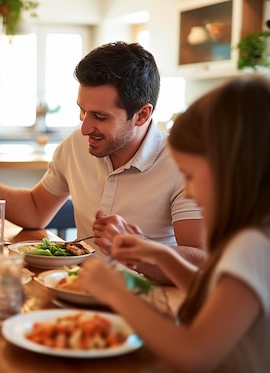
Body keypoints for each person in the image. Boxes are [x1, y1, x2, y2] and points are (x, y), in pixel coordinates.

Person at [0, 42, 206, 284]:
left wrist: (137, 248)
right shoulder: (76, 146)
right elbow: (36, 210)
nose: (85, 128)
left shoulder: (183, 164)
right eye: (82, 110)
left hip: (152, 304)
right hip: (77, 288)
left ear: (142, 114)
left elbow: (201, 262)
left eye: (100, 116)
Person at [79, 76, 270, 372]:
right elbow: (212, 296)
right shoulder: (254, 235)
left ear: (234, 170)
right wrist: (158, 254)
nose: (189, 191)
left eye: (191, 176)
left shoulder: (253, 246)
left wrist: (115, 293)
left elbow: (193, 355)